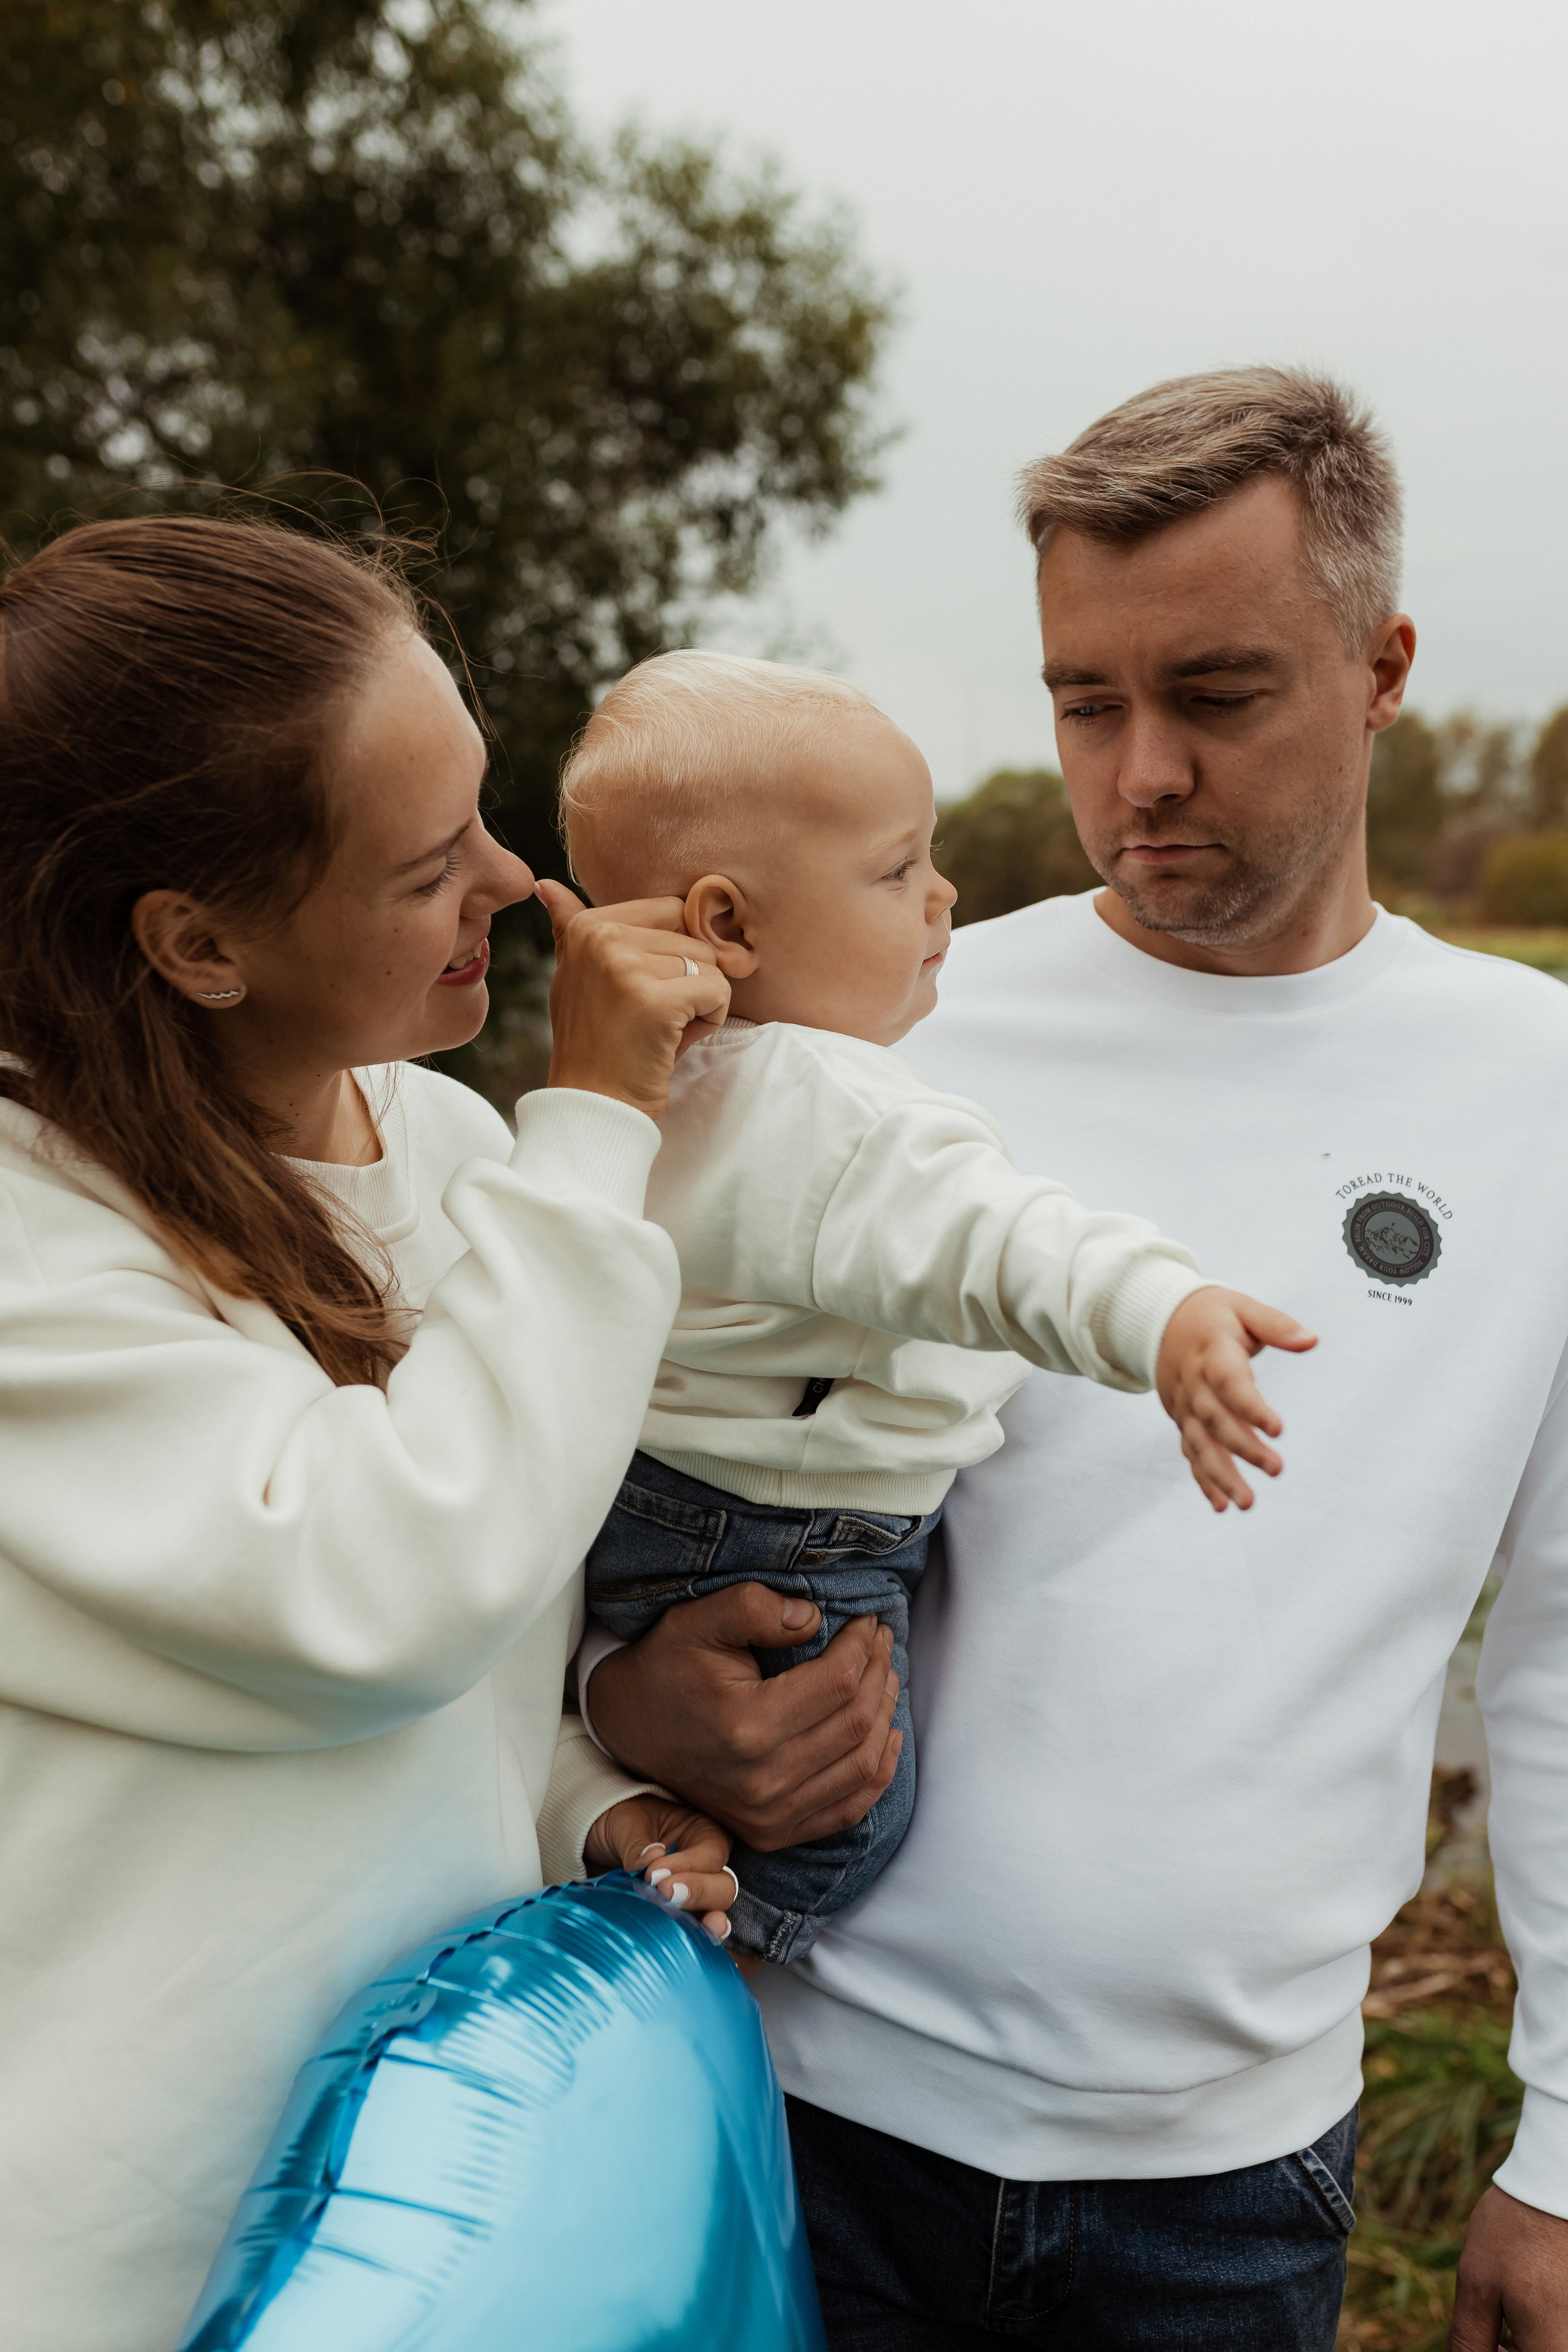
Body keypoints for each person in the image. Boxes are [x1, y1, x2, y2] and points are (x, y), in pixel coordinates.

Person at [581, 367, 1568, 2350]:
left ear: (1382, 670)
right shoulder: (885, 1028)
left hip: (1231, 2190)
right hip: (795, 2104)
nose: (1142, 774)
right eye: (1083, 703)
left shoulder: (1537, 1086)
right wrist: (621, 1705)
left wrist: (1563, 2145)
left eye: (1216, 695)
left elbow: (1556, 1649)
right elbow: (600, 1435)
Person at [0, 514, 739, 2352]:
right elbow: (378, 1590)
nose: (511, 880)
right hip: (127, 2262)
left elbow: (452, 1659)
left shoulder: (455, 1148)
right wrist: (598, 1125)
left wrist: (578, 1795)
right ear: (197, 943)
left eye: (484, 813)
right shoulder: (32, 1241)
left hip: (434, 2224)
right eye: (425, 867)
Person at [562, 647, 1312, 1966]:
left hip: (658, 1513)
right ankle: (683, 1949)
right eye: (897, 868)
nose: (942, 895)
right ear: (729, 926)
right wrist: (1161, 1310)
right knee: (839, 1829)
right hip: (787, 1546)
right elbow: (995, 1239)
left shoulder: (651, 1090)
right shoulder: (831, 1105)